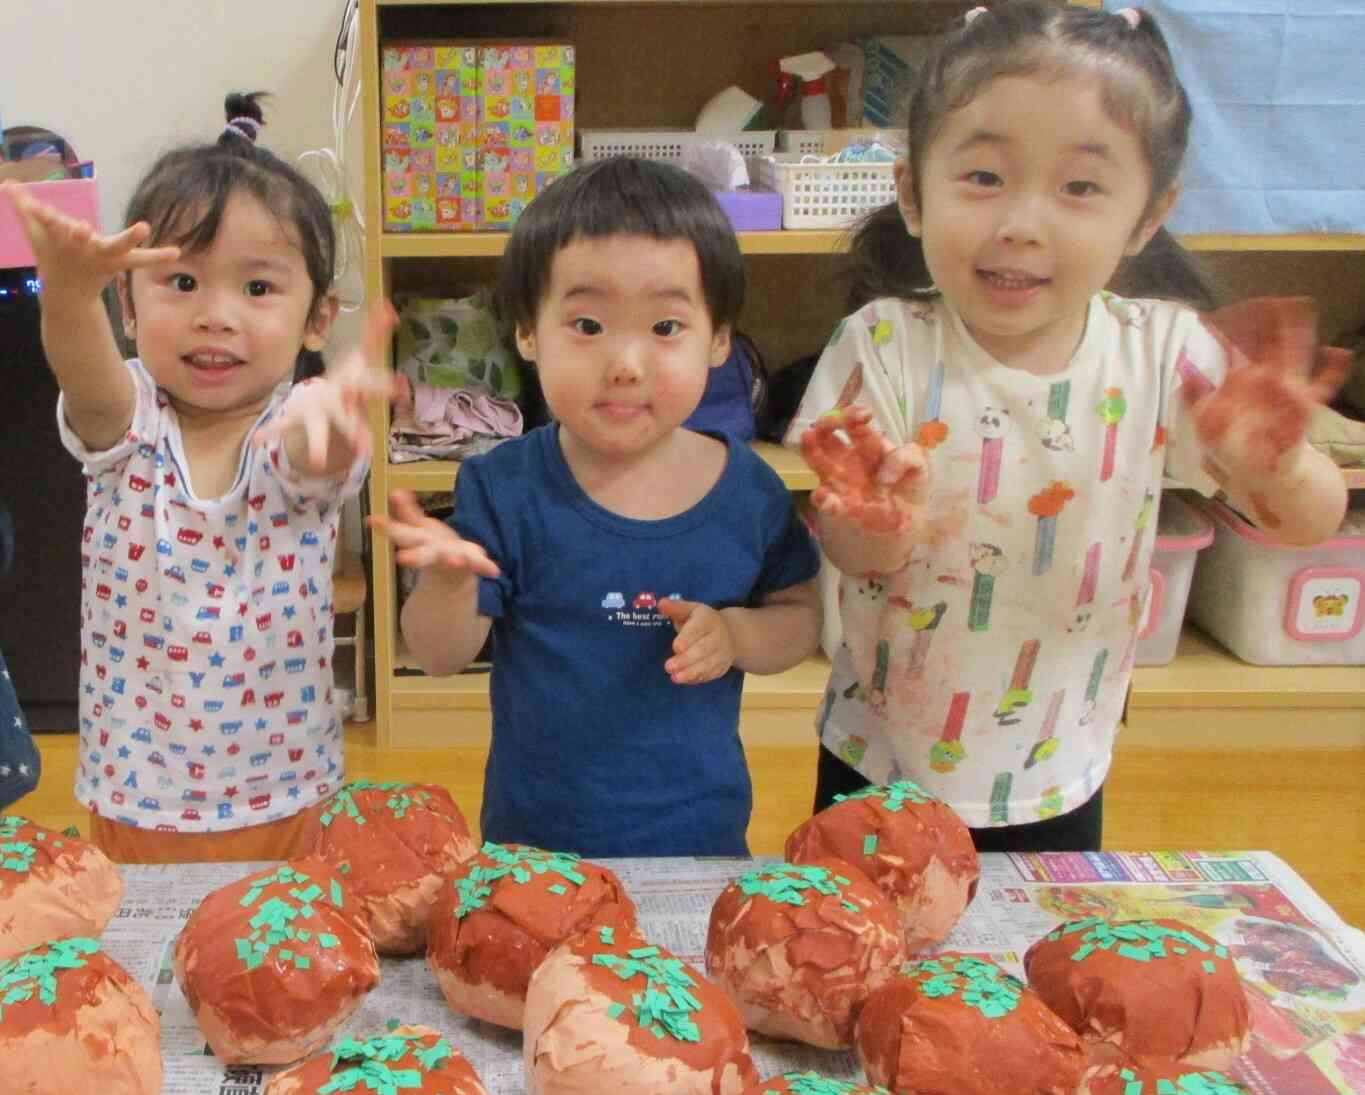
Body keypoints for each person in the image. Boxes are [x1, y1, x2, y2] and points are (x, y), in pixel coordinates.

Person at [789, 1, 1350, 853]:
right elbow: (854, 554)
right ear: (911, 193)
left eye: (1080, 187)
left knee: (1033, 968)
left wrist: (1272, 463)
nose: (1021, 221)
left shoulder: (1166, 351)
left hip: (1057, 760)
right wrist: (872, 521)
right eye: (982, 177)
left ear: (1147, 216)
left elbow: (1306, 523)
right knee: (858, 962)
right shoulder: (883, 344)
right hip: (878, 756)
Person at [371, 156, 822, 857]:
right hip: (535, 849)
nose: (626, 363)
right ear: (527, 332)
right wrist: (450, 581)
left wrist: (735, 636)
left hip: (697, 841)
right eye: (587, 324)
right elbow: (435, 654)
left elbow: (797, 616)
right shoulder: (502, 485)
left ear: (720, 340)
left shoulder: (749, 493)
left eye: (666, 327)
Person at [0, 93, 397, 863]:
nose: (216, 315)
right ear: (129, 302)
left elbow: (316, 457)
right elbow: (85, 374)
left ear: (318, 318)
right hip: (137, 791)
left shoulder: (298, 419)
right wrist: (70, 295)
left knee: (277, 961)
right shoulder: (130, 422)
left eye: (257, 289)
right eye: (181, 283)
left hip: (286, 789)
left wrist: (337, 425)